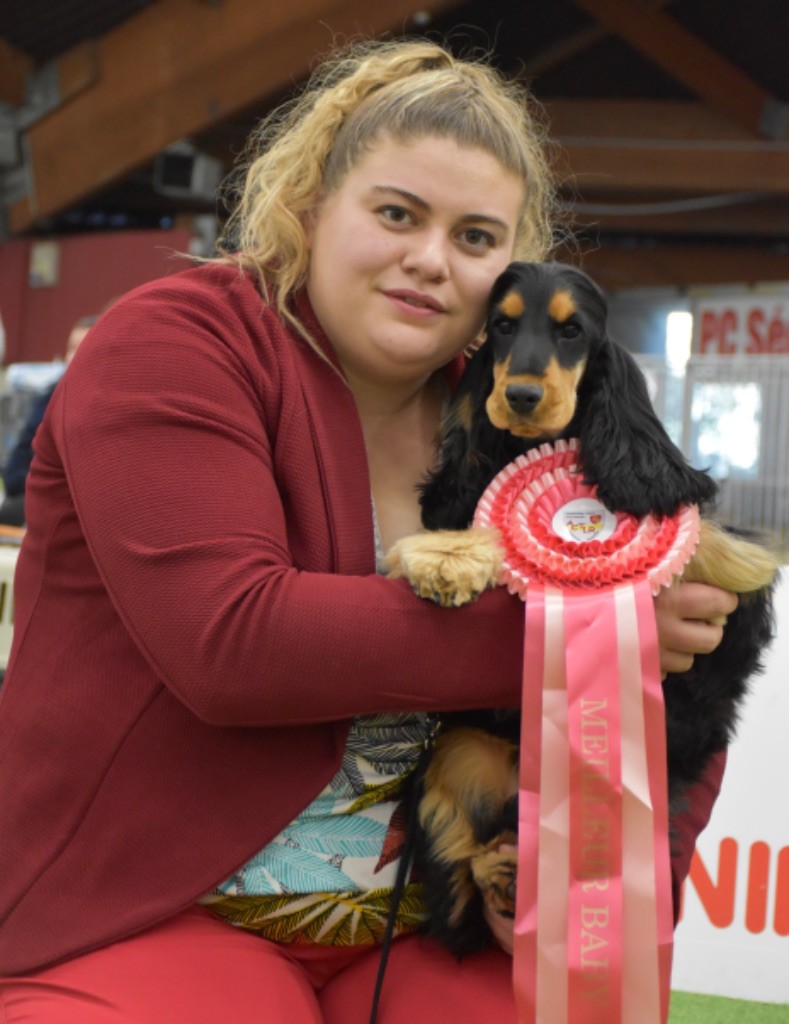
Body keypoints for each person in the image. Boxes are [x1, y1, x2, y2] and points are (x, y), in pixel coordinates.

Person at [0, 39, 736, 1024]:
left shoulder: (524, 409)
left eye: (476, 237)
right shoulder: (175, 341)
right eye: (396, 214)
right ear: (312, 207)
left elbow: (683, 659)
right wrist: (593, 637)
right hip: (150, 911)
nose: (430, 260)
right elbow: (235, 644)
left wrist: (607, 882)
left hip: (432, 919)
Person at [0, 315, 96, 527]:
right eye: (71, 348)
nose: (73, 356)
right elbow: (17, 464)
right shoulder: (51, 395)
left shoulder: (100, 403)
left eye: (82, 347)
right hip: (36, 491)